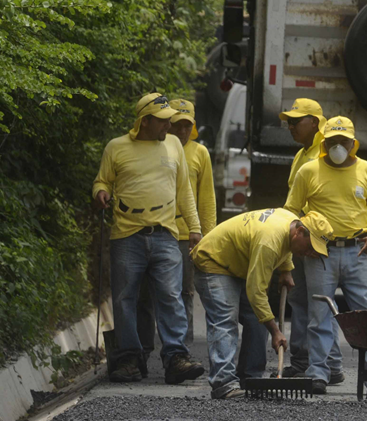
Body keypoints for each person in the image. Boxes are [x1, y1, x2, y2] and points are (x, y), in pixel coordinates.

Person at [92, 93, 205, 384]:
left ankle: (176, 358)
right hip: (126, 236)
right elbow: (102, 180)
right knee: (125, 298)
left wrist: (194, 227)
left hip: (166, 234)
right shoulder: (116, 148)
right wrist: (100, 192)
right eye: (164, 121)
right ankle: (130, 359)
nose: (169, 126)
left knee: (171, 296)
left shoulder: (174, 148)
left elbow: (184, 191)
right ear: (146, 121)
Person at [284, 116, 367, 395]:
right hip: (320, 253)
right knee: (319, 316)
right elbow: (291, 212)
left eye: (343, 141)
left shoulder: (366, 170)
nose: (337, 146)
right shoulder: (309, 171)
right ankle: (319, 373)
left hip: (359, 252)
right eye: (332, 142)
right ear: (324, 143)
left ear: (353, 143)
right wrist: (300, 243)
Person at [192, 209, 333, 399]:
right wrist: (275, 332)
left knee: (258, 319)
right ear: (299, 231)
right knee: (225, 318)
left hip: (238, 263)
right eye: (309, 246)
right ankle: (223, 382)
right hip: (214, 260)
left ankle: (250, 379)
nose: (309, 253)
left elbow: (286, 246)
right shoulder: (269, 242)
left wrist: (286, 269)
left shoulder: (290, 221)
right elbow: (256, 292)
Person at [136, 99, 216, 369]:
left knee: (183, 292)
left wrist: (208, 235)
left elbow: (206, 199)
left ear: (192, 128)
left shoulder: (199, 153)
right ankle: (144, 350)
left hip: (186, 235)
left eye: (187, 126)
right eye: (177, 125)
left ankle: (182, 350)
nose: (181, 132)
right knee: (147, 293)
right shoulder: (156, 149)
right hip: (157, 228)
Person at [275, 99, 328, 380]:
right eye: (289, 122)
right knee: (302, 301)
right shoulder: (301, 155)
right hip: (301, 237)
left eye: (297, 121)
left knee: (314, 302)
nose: (291, 126)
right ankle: (305, 361)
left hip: (314, 240)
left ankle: (313, 362)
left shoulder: (326, 152)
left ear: (316, 123)